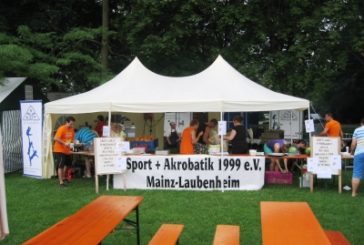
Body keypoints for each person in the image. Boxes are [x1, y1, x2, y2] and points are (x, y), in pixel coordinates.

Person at [53, 116, 76, 186]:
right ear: (66, 122)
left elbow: (72, 139)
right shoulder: (62, 128)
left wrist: (74, 142)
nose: (72, 125)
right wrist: (64, 143)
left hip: (67, 150)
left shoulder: (72, 129)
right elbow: (56, 138)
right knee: (61, 166)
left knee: (67, 164)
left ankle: (63, 177)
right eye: (71, 124)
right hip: (59, 150)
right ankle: (61, 182)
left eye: (73, 124)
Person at [350, 118, 364, 197]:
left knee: (357, 173)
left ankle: (354, 193)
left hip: (359, 153)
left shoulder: (357, 130)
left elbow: (353, 144)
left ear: (361, 123)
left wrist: (351, 152)